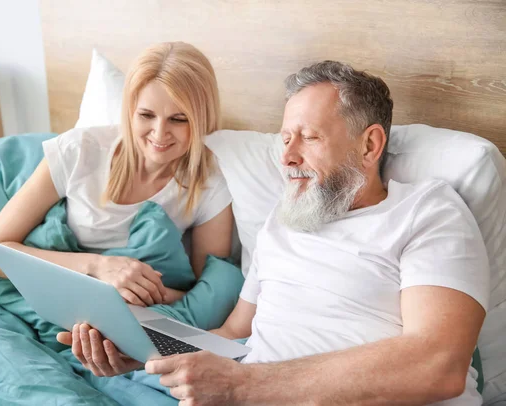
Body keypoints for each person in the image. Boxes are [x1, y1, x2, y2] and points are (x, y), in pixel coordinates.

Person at [62, 61, 490, 405]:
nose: (287, 157)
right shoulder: (282, 221)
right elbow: (232, 337)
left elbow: (439, 364)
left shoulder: (426, 212)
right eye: (285, 138)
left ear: (370, 145)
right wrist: (142, 351)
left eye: (308, 137)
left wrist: (245, 387)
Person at [0, 42, 234, 373]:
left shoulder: (209, 184)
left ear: (201, 118)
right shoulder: (79, 150)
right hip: (51, 292)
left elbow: (204, 292)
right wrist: (99, 269)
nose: (160, 133)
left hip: (132, 313)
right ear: (129, 110)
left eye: (179, 119)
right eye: (146, 115)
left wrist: (130, 296)